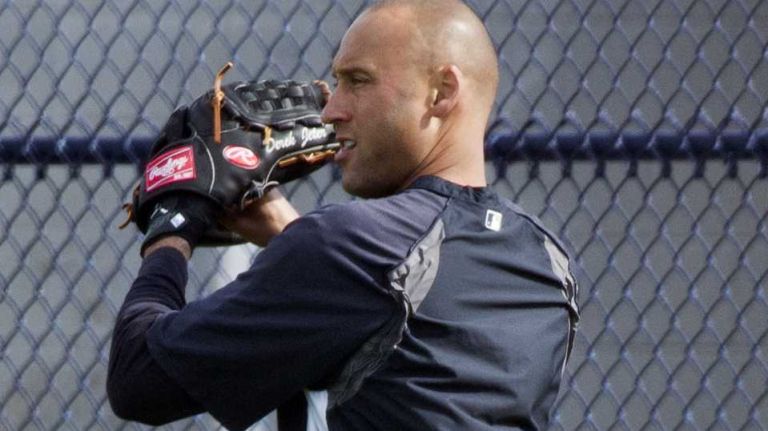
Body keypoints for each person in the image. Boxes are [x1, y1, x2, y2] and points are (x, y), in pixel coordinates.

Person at [107, 0, 580, 430]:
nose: (331, 109)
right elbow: (406, 334)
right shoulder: (546, 264)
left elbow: (139, 380)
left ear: (442, 92)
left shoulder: (347, 250)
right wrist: (291, 235)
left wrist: (173, 228)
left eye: (357, 81)